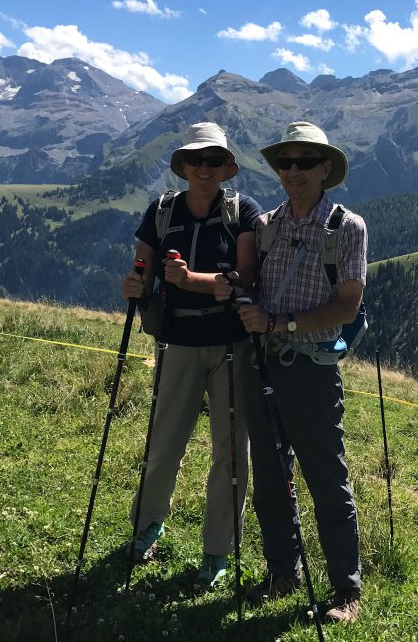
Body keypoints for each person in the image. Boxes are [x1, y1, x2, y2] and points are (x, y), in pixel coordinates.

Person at [216, 121, 367, 624]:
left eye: (305, 163)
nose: (293, 172)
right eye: (286, 162)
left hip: (311, 369)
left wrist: (280, 321)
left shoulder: (347, 227)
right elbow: (255, 284)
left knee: (326, 478)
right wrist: (234, 288)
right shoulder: (269, 225)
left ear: (326, 169)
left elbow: (347, 307)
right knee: (270, 475)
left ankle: (346, 591)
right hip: (261, 364)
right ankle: (284, 571)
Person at [120, 122, 262, 586]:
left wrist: (189, 281)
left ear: (225, 167)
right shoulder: (161, 212)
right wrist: (136, 286)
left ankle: (217, 551)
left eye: (214, 161)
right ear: (184, 166)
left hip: (229, 346)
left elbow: (245, 279)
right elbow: (142, 267)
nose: (205, 168)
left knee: (231, 452)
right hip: (178, 341)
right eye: (196, 160)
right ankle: (147, 527)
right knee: (163, 444)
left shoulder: (243, 212)